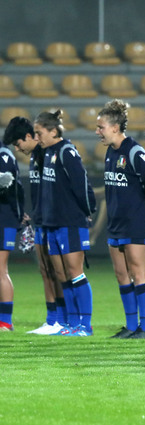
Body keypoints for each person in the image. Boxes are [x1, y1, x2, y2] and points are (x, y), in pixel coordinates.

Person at [97, 100, 145, 340]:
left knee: (138, 273)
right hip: (116, 223)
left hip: (136, 222)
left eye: (100, 127)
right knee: (121, 275)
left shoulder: (135, 152)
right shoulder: (110, 153)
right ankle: (131, 326)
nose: (97, 132)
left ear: (114, 127)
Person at [36, 110, 96, 336]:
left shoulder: (67, 152)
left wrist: (89, 209)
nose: (37, 137)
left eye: (39, 132)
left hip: (71, 222)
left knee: (75, 272)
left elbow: (82, 184)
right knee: (62, 274)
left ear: (53, 131)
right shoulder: (49, 152)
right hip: (53, 223)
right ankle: (71, 323)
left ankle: (85, 325)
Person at [3, 117, 65, 334]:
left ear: (28, 137)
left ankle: (69, 320)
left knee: (61, 271)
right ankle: (53, 319)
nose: (18, 149)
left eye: (18, 144)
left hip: (56, 220)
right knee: (46, 269)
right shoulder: (37, 157)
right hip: (41, 218)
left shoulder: (52, 154)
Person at [0, 123, 24, 332]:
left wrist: (19, 214)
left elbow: (8, 183)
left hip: (4, 218)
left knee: (1, 270)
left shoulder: (4, 154)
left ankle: (6, 322)